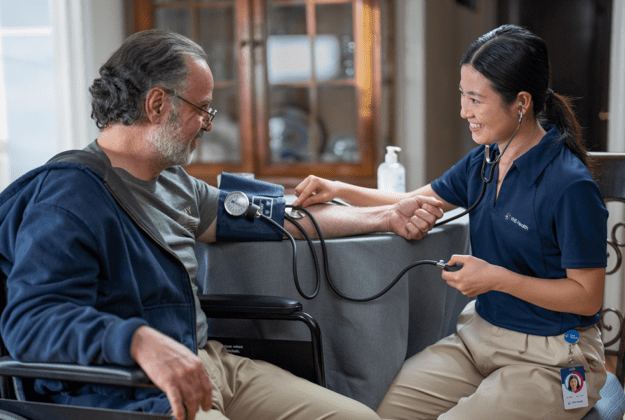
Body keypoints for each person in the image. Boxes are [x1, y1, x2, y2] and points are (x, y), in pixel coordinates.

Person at [0, 30, 444, 420]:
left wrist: (383, 215)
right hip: (130, 387)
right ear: (157, 104)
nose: (208, 126)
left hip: (209, 361)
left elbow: (285, 219)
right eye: (203, 110)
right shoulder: (69, 196)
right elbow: (30, 322)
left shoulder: (174, 183)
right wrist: (138, 341)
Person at [293, 24, 608, 419]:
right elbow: (414, 200)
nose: (464, 111)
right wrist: (338, 188)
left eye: (476, 99)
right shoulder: (487, 159)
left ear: (521, 102)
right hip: (482, 338)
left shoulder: (569, 186)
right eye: (463, 94)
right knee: (381, 411)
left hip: (552, 357)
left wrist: (496, 278)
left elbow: (586, 295)